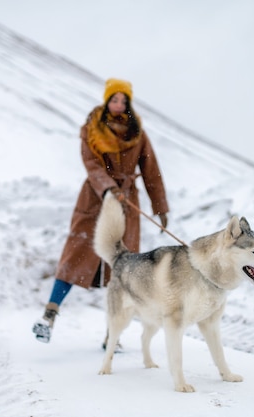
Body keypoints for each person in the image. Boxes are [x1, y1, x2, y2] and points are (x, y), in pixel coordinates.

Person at [33, 78, 169, 344]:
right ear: (107, 101)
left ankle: (112, 334)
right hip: (94, 201)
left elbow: (151, 170)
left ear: (128, 103)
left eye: (123, 100)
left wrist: (160, 206)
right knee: (74, 257)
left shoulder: (137, 133)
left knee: (123, 268)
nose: (118, 105)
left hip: (127, 204)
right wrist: (108, 189)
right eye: (114, 99)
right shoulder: (91, 128)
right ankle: (49, 315)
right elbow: (91, 164)